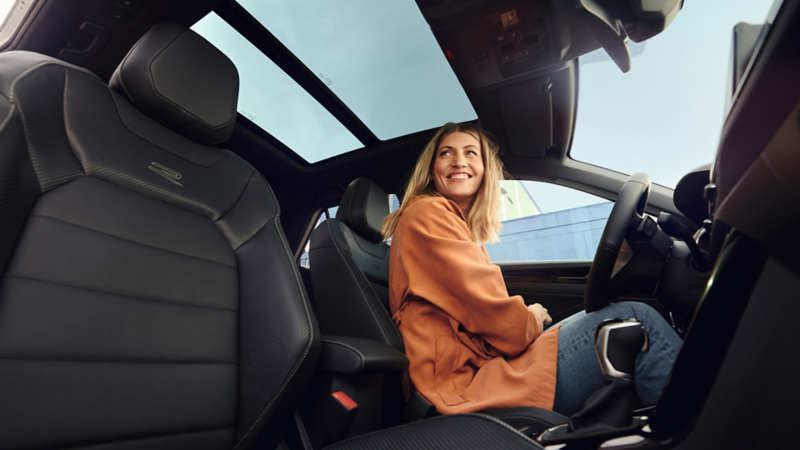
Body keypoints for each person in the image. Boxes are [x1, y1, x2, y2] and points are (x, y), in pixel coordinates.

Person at [383, 122, 681, 416]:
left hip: (477, 369)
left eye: (471, 153)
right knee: (636, 321)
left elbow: (485, 313)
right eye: (446, 153)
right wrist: (534, 317)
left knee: (617, 316)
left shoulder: (456, 226)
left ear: (486, 169)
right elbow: (503, 324)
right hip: (461, 385)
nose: (459, 160)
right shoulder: (428, 213)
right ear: (432, 169)